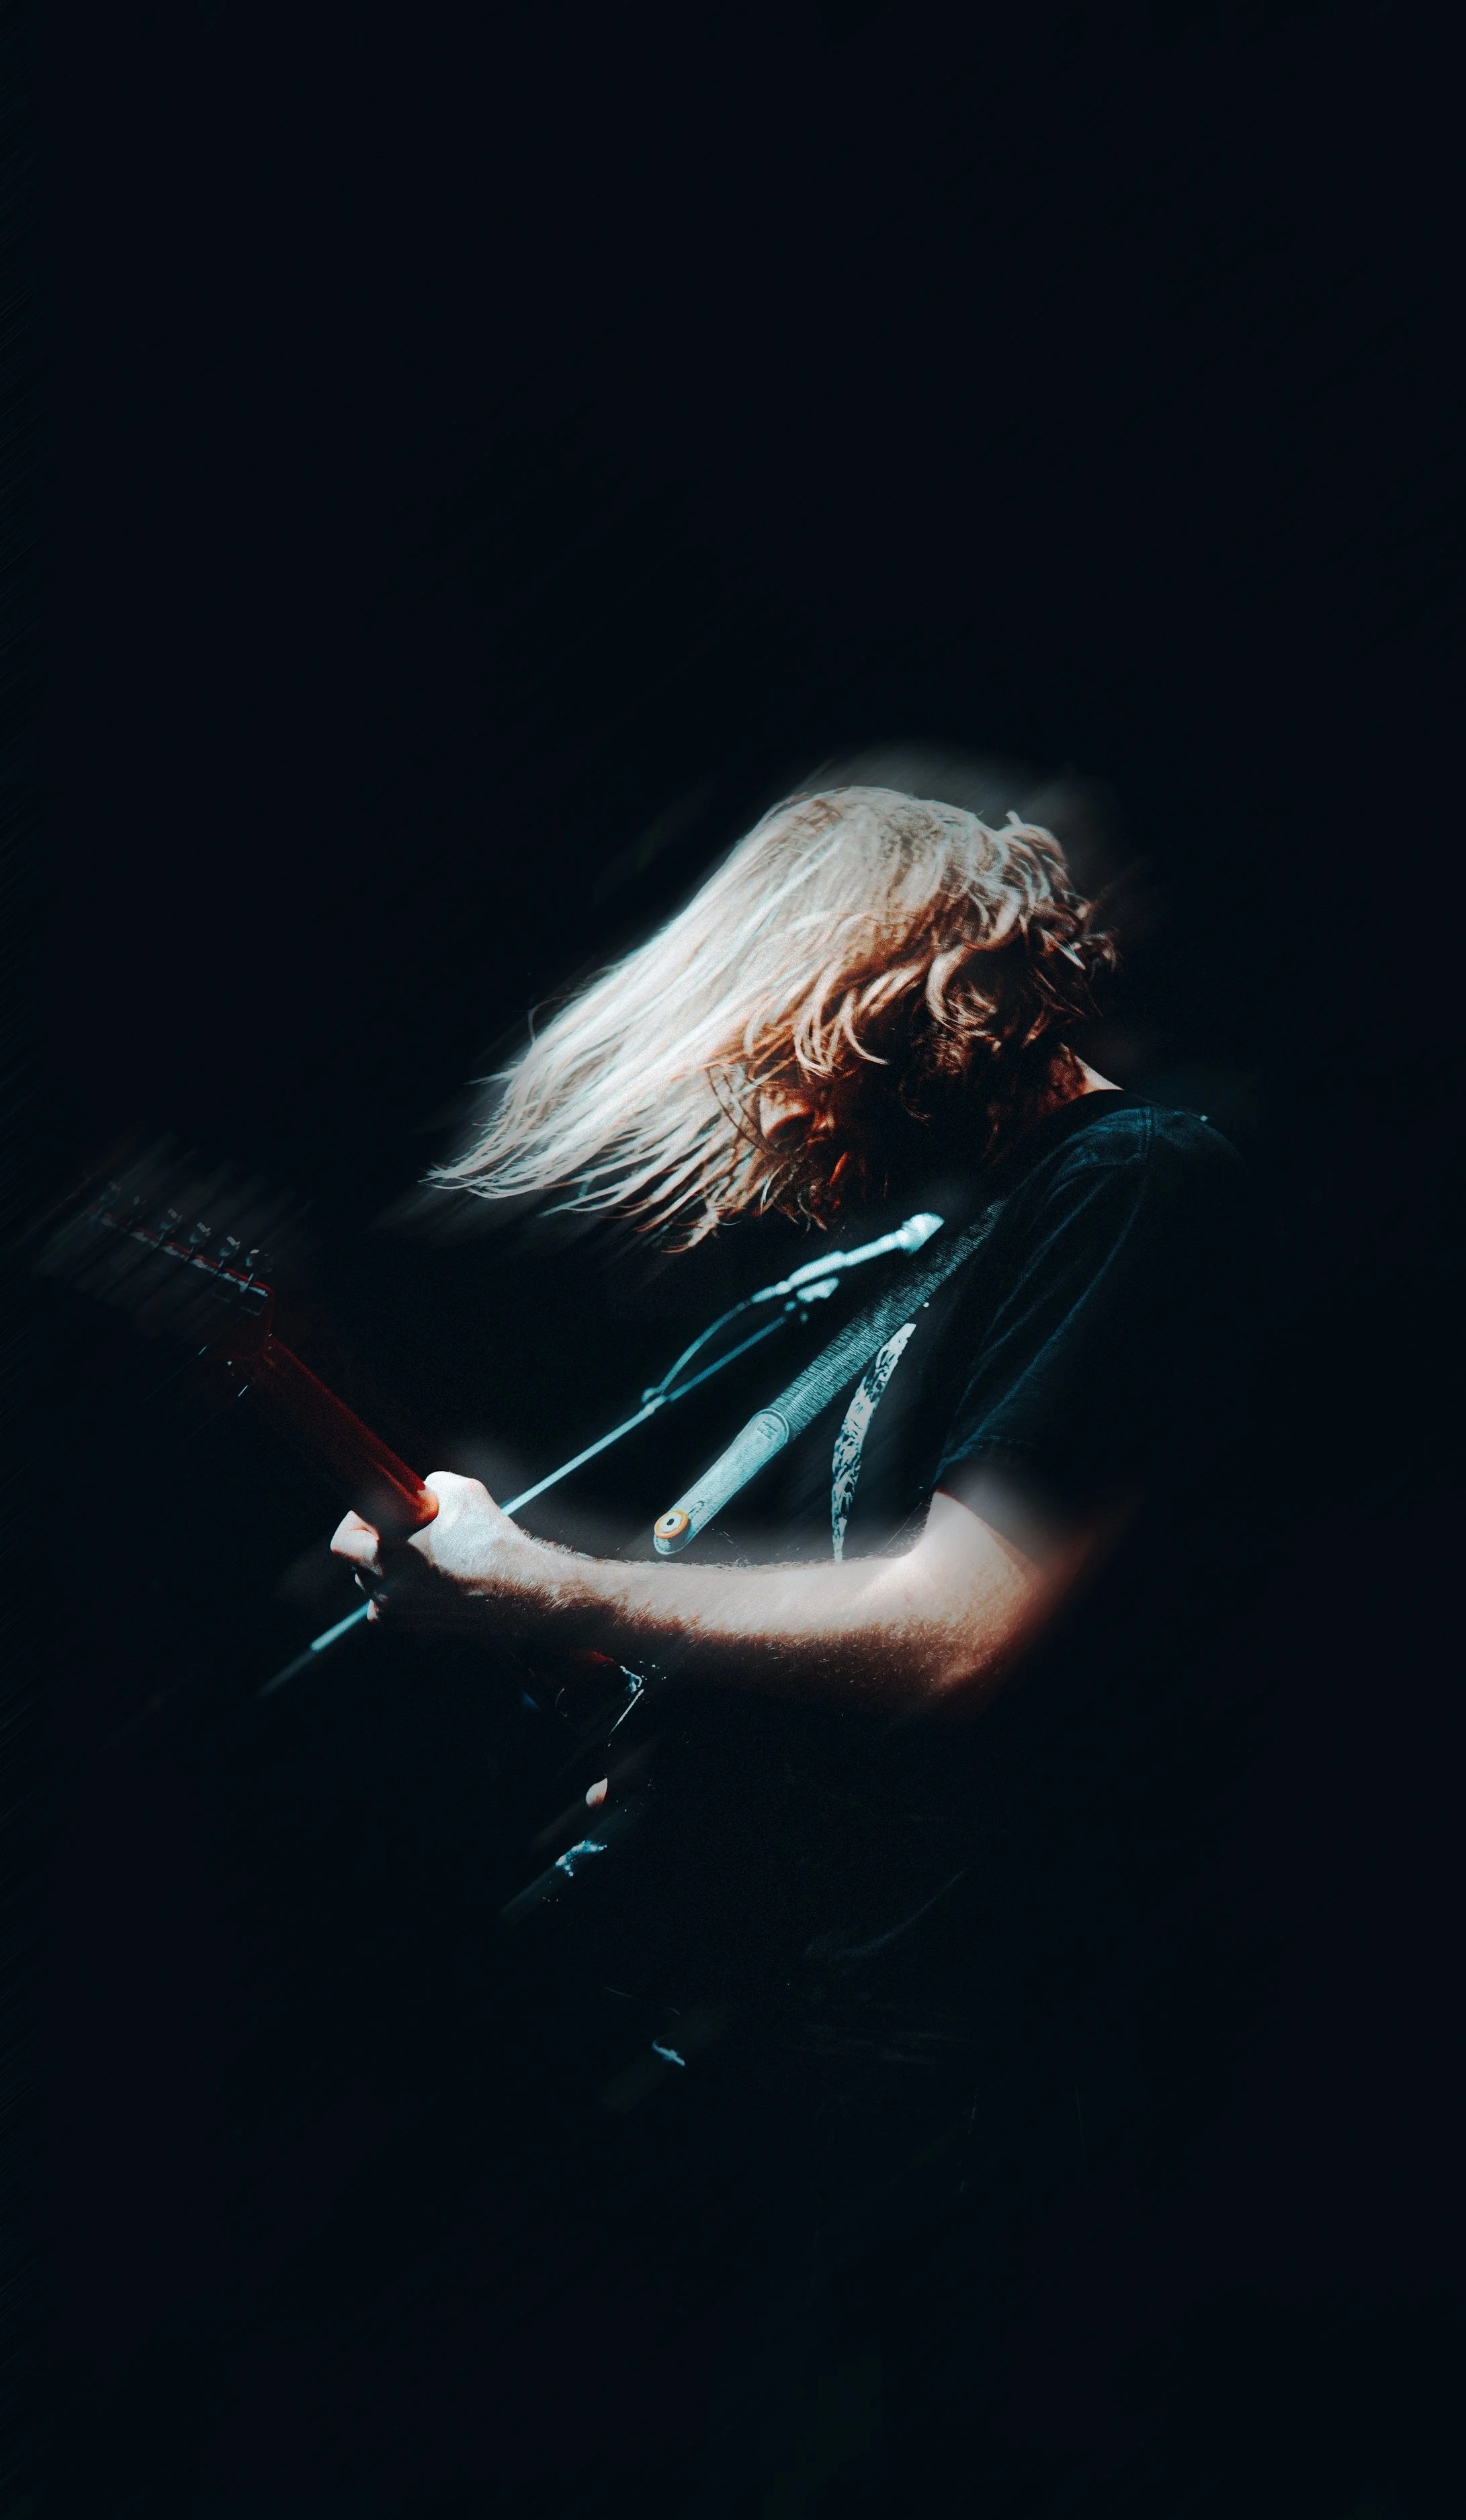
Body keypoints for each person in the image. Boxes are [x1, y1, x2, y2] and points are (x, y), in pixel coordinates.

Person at [325, 783, 1265, 2501]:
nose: (766, 1091)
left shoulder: (1128, 1179)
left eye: (784, 1029)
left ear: (895, 984)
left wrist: (551, 1588)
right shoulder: (924, 1255)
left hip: (1033, 2090)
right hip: (861, 2064)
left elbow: (957, 1632)